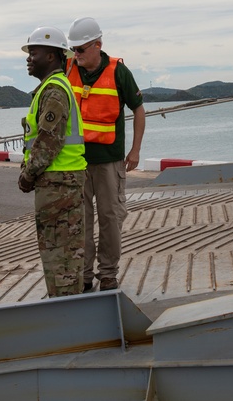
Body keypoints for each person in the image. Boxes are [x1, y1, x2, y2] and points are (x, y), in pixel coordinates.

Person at [65, 17, 145, 291]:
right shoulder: (68, 68)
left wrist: (135, 150)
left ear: (98, 45)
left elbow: (138, 109)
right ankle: (84, 275)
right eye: (73, 49)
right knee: (81, 219)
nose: (76, 55)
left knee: (110, 218)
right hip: (76, 160)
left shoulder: (119, 72)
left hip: (109, 161)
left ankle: (108, 273)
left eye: (81, 49)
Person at [19, 26, 87, 297]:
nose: (28, 58)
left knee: (62, 256)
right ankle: (65, 306)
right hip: (58, 183)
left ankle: (67, 312)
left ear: (51, 56)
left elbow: (49, 142)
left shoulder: (55, 91)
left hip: (60, 183)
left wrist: (27, 175)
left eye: (33, 52)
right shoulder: (50, 89)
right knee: (59, 252)